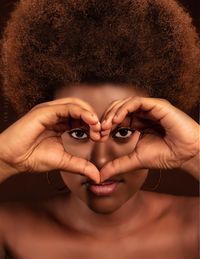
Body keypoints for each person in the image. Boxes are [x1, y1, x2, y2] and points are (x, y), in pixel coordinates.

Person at [0, 0, 199, 258]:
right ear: (44, 129)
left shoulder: (195, 228)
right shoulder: (8, 231)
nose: (101, 160)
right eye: (79, 133)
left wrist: (195, 153)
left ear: (161, 127)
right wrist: (3, 159)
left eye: (123, 132)